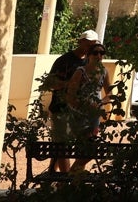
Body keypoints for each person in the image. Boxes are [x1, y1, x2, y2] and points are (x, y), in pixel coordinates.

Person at [40, 29, 99, 173]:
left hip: (82, 113)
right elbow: (49, 83)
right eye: (88, 43)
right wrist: (70, 84)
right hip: (61, 109)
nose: (90, 47)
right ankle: (64, 180)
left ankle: (67, 177)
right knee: (62, 147)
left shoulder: (91, 62)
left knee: (87, 148)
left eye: (93, 44)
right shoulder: (64, 60)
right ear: (80, 42)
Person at [64, 43, 110, 174]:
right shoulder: (80, 72)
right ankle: (70, 179)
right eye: (95, 52)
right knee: (88, 149)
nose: (99, 55)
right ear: (89, 55)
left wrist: (100, 103)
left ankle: (73, 180)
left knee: (87, 149)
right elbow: (70, 95)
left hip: (94, 116)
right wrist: (84, 104)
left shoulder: (104, 72)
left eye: (102, 53)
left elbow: (110, 93)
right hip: (78, 116)